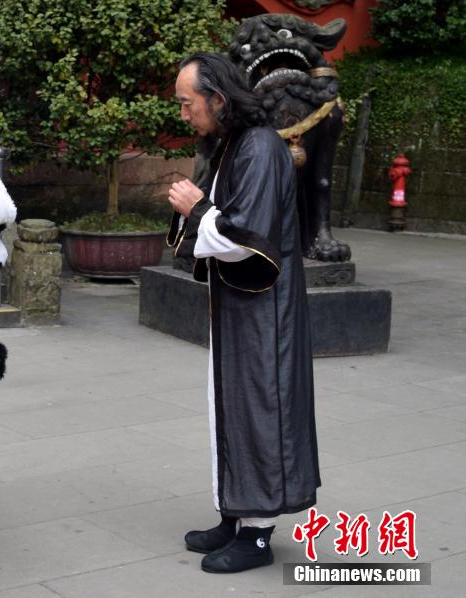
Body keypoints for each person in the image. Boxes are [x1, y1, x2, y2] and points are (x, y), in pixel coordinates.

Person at [167, 52, 319, 574]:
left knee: (260, 409)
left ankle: (257, 534)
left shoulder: (259, 147)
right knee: (230, 403)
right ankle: (235, 512)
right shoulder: (232, 143)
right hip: (238, 306)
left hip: (264, 313)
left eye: (188, 104)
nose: (184, 114)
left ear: (219, 100)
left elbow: (245, 238)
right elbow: (221, 219)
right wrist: (197, 209)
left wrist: (197, 209)